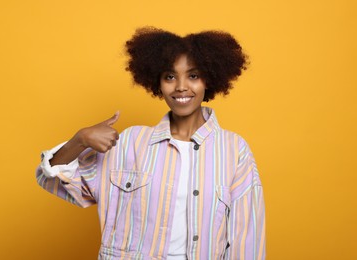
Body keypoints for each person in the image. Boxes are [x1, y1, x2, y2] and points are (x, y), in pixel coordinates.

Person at [36, 27, 265, 259]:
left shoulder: (234, 150)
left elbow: (246, 240)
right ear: (157, 82)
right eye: (170, 76)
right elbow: (52, 180)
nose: (181, 86)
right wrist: (80, 139)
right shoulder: (129, 142)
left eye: (193, 76)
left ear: (209, 79)